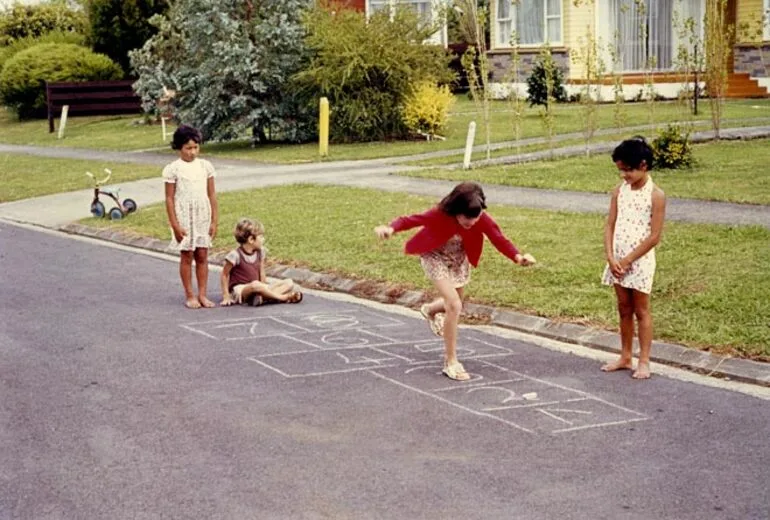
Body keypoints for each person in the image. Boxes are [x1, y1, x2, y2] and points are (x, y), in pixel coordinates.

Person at [374, 182, 535, 381]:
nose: (471, 223)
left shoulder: (481, 218)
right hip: (435, 256)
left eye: (475, 218)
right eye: (466, 218)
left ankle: (430, 310)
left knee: (457, 303)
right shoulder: (440, 214)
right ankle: (451, 362)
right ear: (456, 211)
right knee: (454, 304)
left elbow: (498, 238)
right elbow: (411, 220)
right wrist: (391, 228)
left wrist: (518, 257)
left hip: (458, 260)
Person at [601, 137, 666, 380]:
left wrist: (628, 259)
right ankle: (625, 356)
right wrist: (611, 257)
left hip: (639, 261)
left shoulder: (656, 195)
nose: (623, 176)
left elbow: (654, 236)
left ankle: (644, 360)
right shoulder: (619, 192)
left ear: (643, 165)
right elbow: (610, 224)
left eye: (627, 170)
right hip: (617, 260)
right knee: (623, 308)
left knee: (641, 310)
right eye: (620, 170)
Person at [163, 125, 219, 309]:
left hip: (202, 214)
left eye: (195, 147)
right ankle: (190, 294)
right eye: (188, 148)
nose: (192, 152)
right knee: (187, 255)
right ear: (179, 148)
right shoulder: (173, 169)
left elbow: (212, 195)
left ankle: (203, 294)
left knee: (202, 254)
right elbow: (170, 199)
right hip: (184, 216)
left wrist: (214, 221)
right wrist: (175, 225)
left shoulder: (205, 166)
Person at [220, 218, 303, 307]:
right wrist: (226, 296)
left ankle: (262, 298)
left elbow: (261, 271)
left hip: (259, 287)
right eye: (261, 236)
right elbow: (224, 274)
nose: (263, 239)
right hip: (241, 289)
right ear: (251, 239)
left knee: (289, 283)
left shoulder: (260, 252)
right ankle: (283, 297)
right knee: (255, 285)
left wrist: (264, 286)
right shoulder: (235, 255)